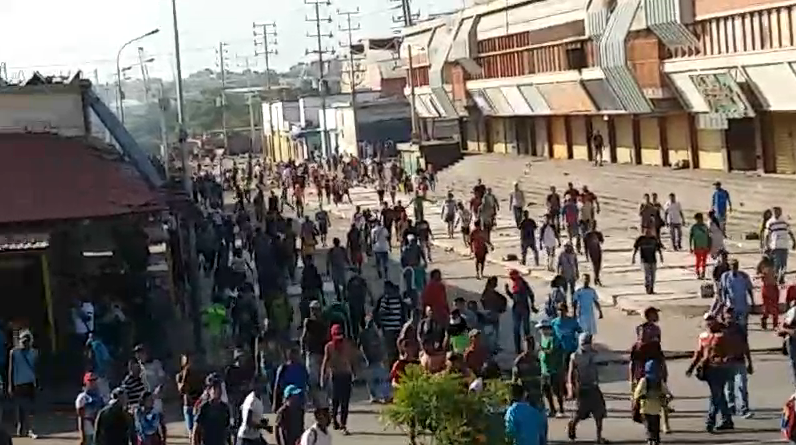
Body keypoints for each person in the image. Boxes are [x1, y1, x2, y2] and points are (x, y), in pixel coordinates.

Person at [686, 313, 734, 433]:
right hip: (708, 369)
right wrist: (691, 367)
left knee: (715, 395)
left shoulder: (723, 335)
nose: (709, 323)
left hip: (721, 369)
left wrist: (726, 359)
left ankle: (710, 420)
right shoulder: (703, 336)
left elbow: (730, 352)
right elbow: (699, 353)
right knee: (719, 394)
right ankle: (727, 419)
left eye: (711, 320)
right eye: (707, 321)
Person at [566, 333, 607, 444]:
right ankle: (572, 425)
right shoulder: (575, 356)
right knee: (580, 413)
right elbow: (570, 374)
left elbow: (602, 363)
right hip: (582, 388)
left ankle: (599, 437)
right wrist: (571, 389)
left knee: (599, 412)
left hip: (593, 386)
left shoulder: (594, 354)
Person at [321, 325, 358, 434]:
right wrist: (322, 376)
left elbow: (352, 359)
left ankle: (343, 424)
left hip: (346, 375)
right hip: (335, 376)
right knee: (335, 400)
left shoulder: (347, 345)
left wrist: (354, 372)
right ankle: (334, 420)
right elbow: (325, 361)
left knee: (345, 402)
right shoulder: (329, 347)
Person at [633, 360, 673, 445]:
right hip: (656, 409)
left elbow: (637, 394)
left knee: (649, 426)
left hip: (645, 408)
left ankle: (650, 439)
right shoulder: (659, 381)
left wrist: (637, 401)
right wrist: (667, 399)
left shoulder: (644, 380)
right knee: (655, 426)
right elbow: (667, 392)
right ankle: (656, 440)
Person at [8, 331, 37, 439]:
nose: (25, 343)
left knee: (30, 407)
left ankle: (30, 429)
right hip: (18, 383)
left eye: (27, 341)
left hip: (30, 382)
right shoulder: (14, 353)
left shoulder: (34, 352)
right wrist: (10, 385)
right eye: (23, 341)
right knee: (19, 407)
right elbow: (11, 369)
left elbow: (36, 368)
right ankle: (20, 427)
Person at [192, 375, 232, 445]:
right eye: (215, 389)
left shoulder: (225, 408)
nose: (218, 391)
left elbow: (227, 430)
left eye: (219, 388)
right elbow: (196, 431)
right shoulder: (204, 408)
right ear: (209, 391)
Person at [505, 269, 537, 354]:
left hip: (523, 308)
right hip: (517, 308)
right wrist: (508, 292)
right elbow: (515, 298)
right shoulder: (516, 284)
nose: (511, 278)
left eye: (512, 276)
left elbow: (531, 294)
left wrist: (532, 305)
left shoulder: (522, 284)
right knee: (518, 329)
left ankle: (527, 348)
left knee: (524, 330)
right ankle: (518, 349)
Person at [538, 320, 565, 418]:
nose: (540, 331)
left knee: (556, 391)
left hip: (554, 370)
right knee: (546, 391)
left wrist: (542, 349)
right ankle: (552, 409)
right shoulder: (543, 338)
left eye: (541, 329)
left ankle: (561, 409)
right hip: (544, 370)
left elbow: (551, 351)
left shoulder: (554, 339)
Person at [765, 206, 796, 284]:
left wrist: (794, 242)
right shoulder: (770, 222)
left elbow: (790, 232)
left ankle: (781, 277)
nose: (776, 213)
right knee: (777, 263)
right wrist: (767, 245)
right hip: (775, 245)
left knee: (784, 263)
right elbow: (767, 235)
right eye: (775, 211)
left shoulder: (784, 222)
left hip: (784, 245)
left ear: (781, 212)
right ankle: (776, 277)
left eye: (778, 211)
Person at [237, 379, 271, 445]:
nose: (262, 386)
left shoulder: (259, 398)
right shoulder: (252, 400)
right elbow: (248, 421)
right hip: (246, 438)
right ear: (255, 386)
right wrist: (263, 426)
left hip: (254, 437)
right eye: (260, 384)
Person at [513, 336, 543, 407]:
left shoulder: (537, 359)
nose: (528, 348)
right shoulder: (519, 361)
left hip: (536, 390)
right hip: (524, 389)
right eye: (526, 346)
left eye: (530, 345)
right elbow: (514, 378)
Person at [632, 227, 664, 294]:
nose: (648, 233)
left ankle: (651, 288)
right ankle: (647, 287)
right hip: (645, 260)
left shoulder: (654, 239)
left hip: (653, 260)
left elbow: (658, 248)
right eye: (646, 232)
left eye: (649, 232)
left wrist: (661, 257)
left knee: (653, 275)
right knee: (647, 274)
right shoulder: (640, 239)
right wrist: (633, 257)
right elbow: (636, 248)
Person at [76, 372, 105, 445]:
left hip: (99, 430)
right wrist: (82, 435)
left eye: (94, 380)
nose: (93, 383)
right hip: (88, 430)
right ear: (86, 382)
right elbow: (81, 418)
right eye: (90, 381)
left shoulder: (100, 397)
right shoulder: (82, 398)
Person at [690, 213, 711, 279]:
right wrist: (690, 247)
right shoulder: (694, 227)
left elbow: (709, 237)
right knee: (698, 261)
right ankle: (698, 272)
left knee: (704, 261)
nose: (698, 220)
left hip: (705, 246)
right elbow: (691, 237)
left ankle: (703, 273)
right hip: (697, 246)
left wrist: (709, 245)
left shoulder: (705, 226)